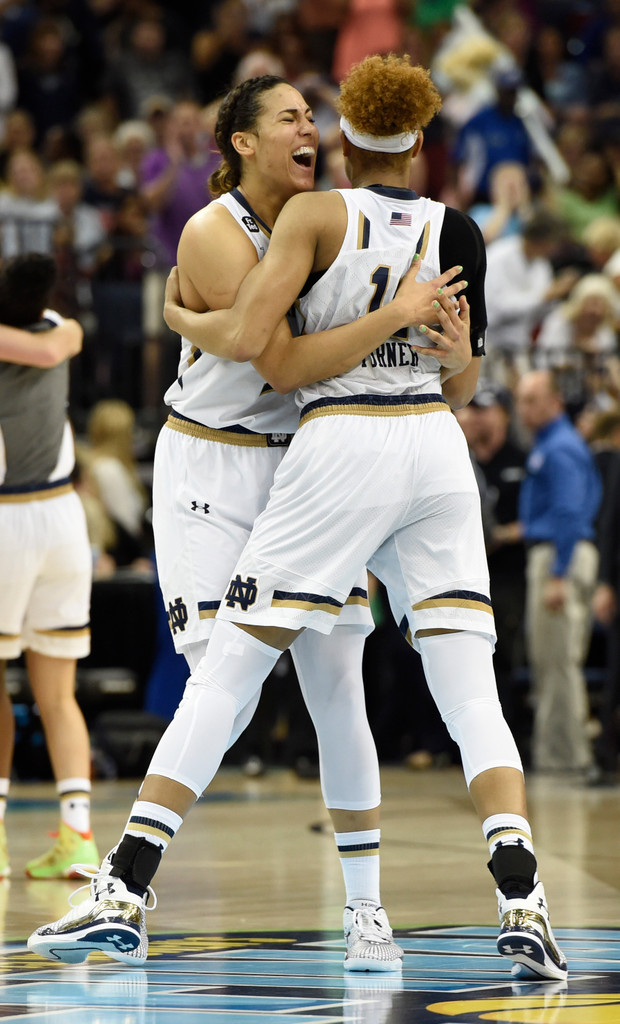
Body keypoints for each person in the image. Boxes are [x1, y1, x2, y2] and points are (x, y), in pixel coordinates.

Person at [28, 58, 563, 985]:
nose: (307, 131)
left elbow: (266, 354)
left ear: (350, 140)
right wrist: (413, 323)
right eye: (288, 117)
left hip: (330, 450)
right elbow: (461, 380)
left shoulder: (319, 216)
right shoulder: (434, 226)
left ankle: (148, 888)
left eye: (316, 117)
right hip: (309, 456)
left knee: (282, 673)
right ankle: (522, 898)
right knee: (440, 681)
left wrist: (180, 320)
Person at [0, 253, 99, 880]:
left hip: (7, 519)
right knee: (58, 696)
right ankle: (79, 835)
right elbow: (55, 345)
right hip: (64, 518)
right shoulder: (62, 329)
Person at [515, 369, 602, 773]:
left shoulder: (560, 448)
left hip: (557, 557)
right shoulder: (554, 444)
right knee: (553, 662)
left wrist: (558, 573)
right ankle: (559, 754)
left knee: (558, 662)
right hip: (558, 554)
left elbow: (569, 511)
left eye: (531, 400)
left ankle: (566, 759)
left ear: (554, 402)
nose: (523, 409)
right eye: (521, 400)